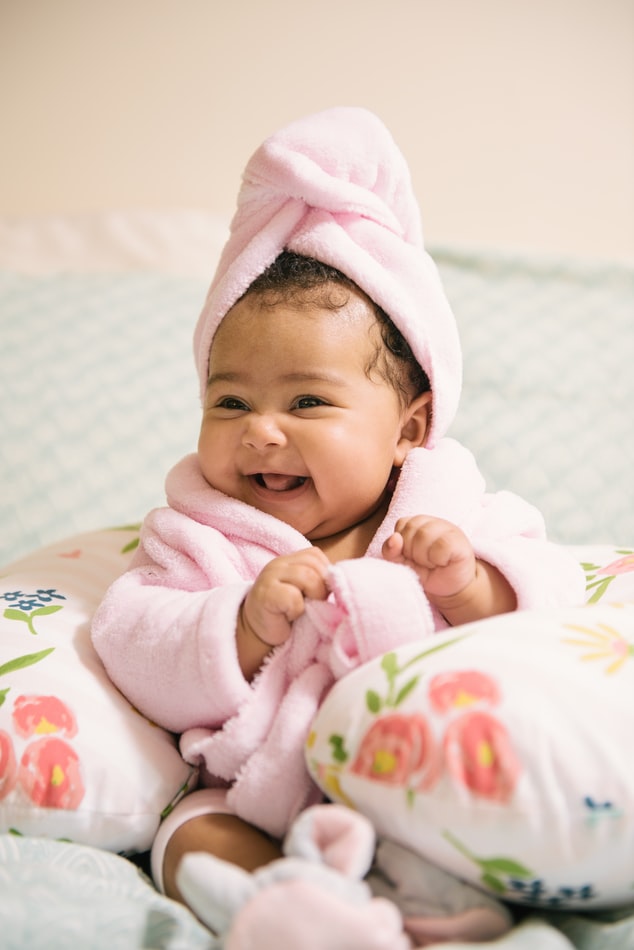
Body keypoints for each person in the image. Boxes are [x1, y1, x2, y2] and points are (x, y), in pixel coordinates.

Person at [91, 107, 585, 944]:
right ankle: (282, 905)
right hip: (265, 788)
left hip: (420, 771)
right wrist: (240, 625)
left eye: (308, 401)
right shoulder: (202, 536)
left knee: (478, 807)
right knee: (187, 831)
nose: (261, 430)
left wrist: (470, 584)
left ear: (409, 429)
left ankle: (428, 904)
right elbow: (135, 639)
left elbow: (550, 606)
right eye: (231, 401)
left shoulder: (459, 513)